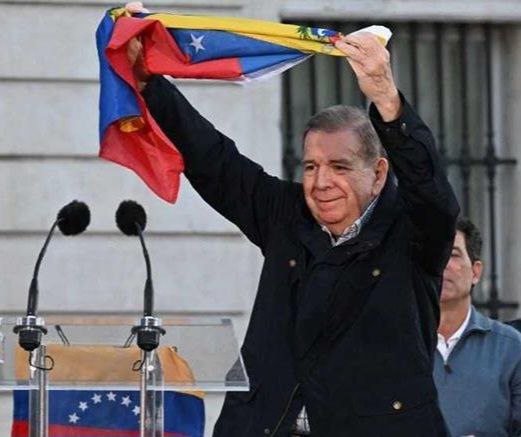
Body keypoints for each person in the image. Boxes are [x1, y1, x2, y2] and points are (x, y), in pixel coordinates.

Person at [123, 4, 460, 435]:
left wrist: (386, 98)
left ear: (378, 174)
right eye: (311, 166)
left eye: (339, 167)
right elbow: (214, 160)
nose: (321, 182)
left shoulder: (412, 233)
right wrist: (149, 82)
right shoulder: (286, 215)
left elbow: (433, 194)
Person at [434, 217, 521, 436]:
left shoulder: (511, 348)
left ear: (475, 272)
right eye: (433, 254)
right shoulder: (399, 348)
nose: (441, 264)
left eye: (453, 254)